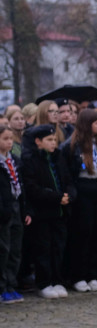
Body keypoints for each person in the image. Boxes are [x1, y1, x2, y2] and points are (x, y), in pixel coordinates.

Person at [21, 124, 76, 299]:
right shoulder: (30, 159)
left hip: (60, 211)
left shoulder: (58, 157)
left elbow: (68, 179)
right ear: (38, 141)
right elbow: (32, 187)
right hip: (43, 212)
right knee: (43, 248)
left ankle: (57, 279)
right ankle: (44, 282)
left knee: (58, 247)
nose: (53, 143)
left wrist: (69, 195)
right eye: (49, 140)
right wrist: (56, 197)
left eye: (55, 140)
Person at [62, 109, 97, 292]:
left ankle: (93, 274)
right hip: (83, 188)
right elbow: (68, 171)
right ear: (87, 125)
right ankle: (78, 275)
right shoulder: (72, 145)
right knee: (83, 233)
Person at [0, 123, 27, 302]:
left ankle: (11, 283)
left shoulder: (14, 160)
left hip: (16, 206)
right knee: (3, 249)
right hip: (4, 209)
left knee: (15, 249)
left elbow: (21, 186)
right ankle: (2, 286)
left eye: (11, 139)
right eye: (5, 139)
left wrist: (25, 210)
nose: (9, 142)